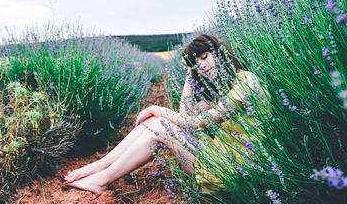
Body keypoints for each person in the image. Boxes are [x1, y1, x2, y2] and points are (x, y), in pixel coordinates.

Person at [64, 34, 270, 194]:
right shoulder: (225, 87)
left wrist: (156, 108)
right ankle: (99, 167)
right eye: (196, 62)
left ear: (221, 52)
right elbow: (184, 114)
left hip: (232, 170)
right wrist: (190, 75)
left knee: (162, 124)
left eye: (205, 57)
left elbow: (195, 124)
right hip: (220, 157)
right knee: (157, 121)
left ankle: (101, 180)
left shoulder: (246, 83)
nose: (202, 66)